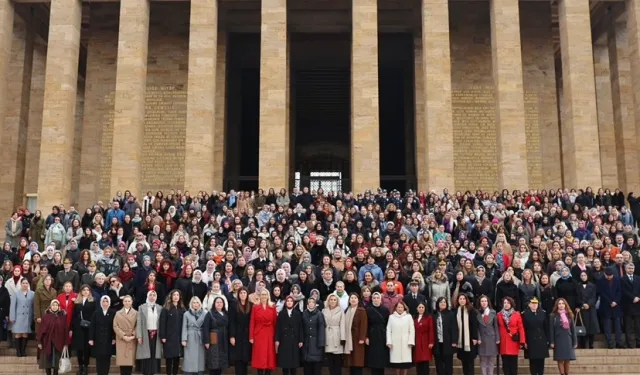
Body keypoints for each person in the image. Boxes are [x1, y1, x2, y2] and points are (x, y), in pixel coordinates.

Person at [249, 289, 277, 375]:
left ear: (268, 295)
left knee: (269, 356)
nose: (264, 296)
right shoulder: (255, 307)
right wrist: (251, 337)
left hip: (270, 334)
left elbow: (275, 322)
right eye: (262, 294)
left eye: (265, 294)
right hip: (259, 333)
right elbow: (252, 322)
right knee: (260, 356)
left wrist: (276, 337)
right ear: (259, 296)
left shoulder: (273, 307)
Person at [37, 299, 68, 375]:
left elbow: (65, 330)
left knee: (56, 362)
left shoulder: (62, 316)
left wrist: (65, 343)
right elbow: (41, 330)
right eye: (53, 305)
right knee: (47, 362)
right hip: (47, 342)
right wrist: (39, 342)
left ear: (58, 306)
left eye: (56, 305)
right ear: (50, 306)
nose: (54, 307)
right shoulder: (46, 316)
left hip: (58, 342)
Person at [136, 290, 162, 375]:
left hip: (156, 334)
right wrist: (139, 336)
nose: (152, 297)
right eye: (150, 295)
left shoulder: (160, 308)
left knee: (154, 353)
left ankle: (153, 371)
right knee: (146, 353)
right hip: (145, 333)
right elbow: (139, 322)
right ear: (147, 296)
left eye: (154, 295)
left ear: (156, 297)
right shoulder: (142, 307)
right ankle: (145, 372)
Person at [71, 284, 96, 375]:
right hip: (78, 328)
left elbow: (94, 316)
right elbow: (74, 316)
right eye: (84, 290)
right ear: (81, 291)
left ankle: (85, 367)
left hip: (88, 328)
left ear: (89, 291)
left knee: (86, 349)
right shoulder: (77, 302)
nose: (86, 291)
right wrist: (71, 328)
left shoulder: (93, 301)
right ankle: (80, 366)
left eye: (87, 290)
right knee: (79, 349)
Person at [275, 295, 303, 375]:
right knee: (285, 364)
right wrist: (277, 339)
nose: (289, 302)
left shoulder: (297, 314)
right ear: (286, 302)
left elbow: (300, 327)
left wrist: (301, 340)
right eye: (288, 301)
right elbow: (278, 327)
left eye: (291, 301)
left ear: (293, 303)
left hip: (294, 340)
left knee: (293, 364)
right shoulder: (281, 313)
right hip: (284, 341)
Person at [497, 297, 525, 375]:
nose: (506, 304)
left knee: (513, 364)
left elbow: (521, 328)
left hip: (513, 341)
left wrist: (522, 341)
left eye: (508, 303)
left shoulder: (516, 314)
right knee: (505, 364)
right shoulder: (499, 315)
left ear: (511, 304)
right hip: (503, 341)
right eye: (505, 303)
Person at [596, 268, 624, 348]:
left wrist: (615, 301)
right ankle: (610, 343)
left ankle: (619, 342)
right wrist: (610, 302)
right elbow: (601, 293)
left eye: (610, 276)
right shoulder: (600, 280)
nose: (609, 277)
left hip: (616, 306)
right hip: (606, 306)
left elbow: (619, 291)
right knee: (607, 326)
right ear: (604, 274)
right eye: (607, 275)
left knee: (618, 326)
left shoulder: (617, 279)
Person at [159, 290, 185, 375]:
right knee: (169, 359)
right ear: (171, 296)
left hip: (178, 338)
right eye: (174, 295)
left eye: (177, 295)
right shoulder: (166, 308)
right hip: (169, 338)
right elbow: (162, 323)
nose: (176, 296)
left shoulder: (182, 309)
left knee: (177, 358)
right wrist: (163, 336)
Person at [549, 298, 577, 375]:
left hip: (568, 339)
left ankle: (566, 373)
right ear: (557, 305)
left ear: (565, 305)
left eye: (563, 303)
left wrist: (575, 341)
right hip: (558, 339)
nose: (561, 305)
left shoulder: (570, 315)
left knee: (567, 359)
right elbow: (551, 329)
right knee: (560, 359)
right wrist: (552, 341)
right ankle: (562, 373)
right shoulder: (553, 316)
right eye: (559, 304)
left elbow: (573, 329)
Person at [203, 296, 230, 375]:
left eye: (221, 302)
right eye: (217, 302)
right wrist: (206, 341)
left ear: (223, 304)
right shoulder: (210, 313)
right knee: (214, 362)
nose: (219, 304)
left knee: (221, 364)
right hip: (214, 340)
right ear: (214, 304)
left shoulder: (226, 313)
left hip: (224, 339)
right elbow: (205, 328)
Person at [89, 295, 115, 375]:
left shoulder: (113, 313)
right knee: (99, 358)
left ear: (109, 303)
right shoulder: (96, 313)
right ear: (101, 302)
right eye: (103, 301)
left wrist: (114, 338)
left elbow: (115, 326)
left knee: (107, 358)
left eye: (107, 301)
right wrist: (91, 338)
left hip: (108, 339)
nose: (105, 303)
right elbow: (92, 326)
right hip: (98, 339)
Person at [386, 301, 415, 375]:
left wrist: (411, 341)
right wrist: (389, 342)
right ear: (396, 308)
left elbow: (412, 329)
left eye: (401, 307)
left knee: (405, 362)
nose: (400, 308)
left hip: (406, 343)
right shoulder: (391, 317)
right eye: (398, 307)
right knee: (396, 362)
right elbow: (388, 330)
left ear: (404, 308)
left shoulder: (408, 317)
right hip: (395, 342)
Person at [521, 297, 548, 375]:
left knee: (541, 361)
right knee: (532, 362)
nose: (534, 305)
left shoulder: (542, 313)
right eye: (533, 303)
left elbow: (546, 327)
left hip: (541, 339)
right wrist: (524, 341)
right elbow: (523, 329)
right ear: (529, 304)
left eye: (536, 303)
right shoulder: (524, 314)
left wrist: (547, 340)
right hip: (531, 339)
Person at [229, 287, 252, 375]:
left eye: (244, 293)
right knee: (238, 359)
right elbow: (231, 322)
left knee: (245, 359)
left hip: (247, 335)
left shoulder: (251, 305)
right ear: (238, 294)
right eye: (241, 293)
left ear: (247, 294)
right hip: (237, 334)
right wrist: (232, 336)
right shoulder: (234, 305)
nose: (243, 294)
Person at [365, 292, 390, 375]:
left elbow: (388, 324)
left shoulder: (385, 310)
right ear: (372, 299)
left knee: (381, 358)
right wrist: (367, 336)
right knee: (373, 358)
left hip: (382, 335)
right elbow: (366, 324)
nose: (376, 299)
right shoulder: (368, 309)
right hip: (372, 334)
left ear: (380, 299)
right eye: (374, 298)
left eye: (377, 298)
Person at [181, 297, 207, 375]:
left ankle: (200, 371)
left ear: (200, 304)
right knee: (189, 356)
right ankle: (188, 371)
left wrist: (206, 339)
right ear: (191, 304)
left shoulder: (205, 313)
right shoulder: (186, 313)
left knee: (200, 356)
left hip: (200, 336)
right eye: (194, 303)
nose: (195, 304)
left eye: (197, 303)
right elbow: (184, 327)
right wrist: (184, 339)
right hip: (190, 337)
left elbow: (206, 327)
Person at [9, 278, 34, 357]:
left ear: (28, 284)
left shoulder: (32, 293)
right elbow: (12, 306)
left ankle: (23, 351)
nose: (25, 284)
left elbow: (33, 306)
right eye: (23, 283)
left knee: (25, 334)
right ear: (21, 284)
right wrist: (12, 317)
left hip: (27, 317)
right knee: (18, 334)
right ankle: (18, 351)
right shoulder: (16, 293)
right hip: (18, 317)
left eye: (26, 283)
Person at [113, 296, 138, 375]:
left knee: (129, 362)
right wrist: (123, 336)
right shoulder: (118, 313)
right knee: (122, 362)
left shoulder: (136, 313)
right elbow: (115, 326)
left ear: (131, 302)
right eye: (125, 301)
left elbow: (138, 325)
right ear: (123, 302)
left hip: (131, 339)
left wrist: (133, 335)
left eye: (129, 301)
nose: (127, 303)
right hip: (121, 339)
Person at [432, 297, 457, 375]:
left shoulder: (450, 314)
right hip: (437, 343)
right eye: (441, 302)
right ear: (437, 304)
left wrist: (454, 341)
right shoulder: (434, 314)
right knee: (438, 364)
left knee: (448, 364)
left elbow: (454, 328)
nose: (443, 303)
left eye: (444, 302)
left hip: (448, 343)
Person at [301, 296, 325, 375]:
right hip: (306, 344)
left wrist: (321, 344)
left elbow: (321, 328)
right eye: (309, 302)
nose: (311, 304)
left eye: (312, 302)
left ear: (315, 304)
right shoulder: (304, 314)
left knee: (316, 368)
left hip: (316, 344)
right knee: (307, 368)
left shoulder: (319, 314)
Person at [323, 294, 346, 375]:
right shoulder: (324, 311)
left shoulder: (341, 310)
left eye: (334, 300)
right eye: (331, 299)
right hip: (327, 336)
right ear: (328, 301)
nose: (332, 301)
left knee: (337, 362)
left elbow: (342, 324)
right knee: (330, 362)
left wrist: (343, 338)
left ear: (337, 301)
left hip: (337, 336)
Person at [344, 293, 367, 375]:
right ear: (349, 300)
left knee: (357, 361)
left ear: (358, 300)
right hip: (349, 337)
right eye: (351, 298)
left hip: (358, 338)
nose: (353, 299)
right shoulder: (347, 310)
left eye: (355, 298)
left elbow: (364, 325)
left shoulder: (361, 310)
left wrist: (362, 338)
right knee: (351, 361)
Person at [476, 295, 499, 375]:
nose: (484, 303)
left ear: (488, 302)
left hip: (491, 339)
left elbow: (496, 326)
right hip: (482, 340)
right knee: (483, 361)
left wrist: (497, 338)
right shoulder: (477, 313)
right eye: (482, 301)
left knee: (491, 361)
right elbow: (477, 328)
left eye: (485, 301)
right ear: (479, 302)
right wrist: (478, 338)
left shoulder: (493, 312)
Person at [576, 270, 598, 349]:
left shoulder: (592, 285)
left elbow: (594, 297)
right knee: (583, 326)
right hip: (582, 309)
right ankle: (583, 344)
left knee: (591, 327)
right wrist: (582, 304)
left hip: (590, 309)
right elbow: (577, 297)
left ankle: (591, 344)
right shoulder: (578, 286)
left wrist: (588, 304)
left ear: (587, 276)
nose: (583, 277)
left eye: (584, 275)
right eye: (581, 275)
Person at [620, 263, 640, 348]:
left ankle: (638, 342)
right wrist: (633, 298)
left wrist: (638, 297)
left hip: (638, 305)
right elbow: (623, 291)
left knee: (638, 325)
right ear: (625, 269)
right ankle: (629, 343)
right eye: (629, 268)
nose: (631, 269)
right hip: (627, 305)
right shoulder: (622, 279)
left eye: (632, 268)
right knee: (627, 326)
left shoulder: (638, 278)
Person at [413, 301, 434, 375]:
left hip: (425, 341)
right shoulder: (414, 318)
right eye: (419, 307)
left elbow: (431, 330)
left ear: (425, 308)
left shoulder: (429, 317)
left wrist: (431, 342)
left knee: (425, 361)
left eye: (422, 307)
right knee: (418, 361)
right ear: (417, 308)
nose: (421, 309)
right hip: (417, 341)